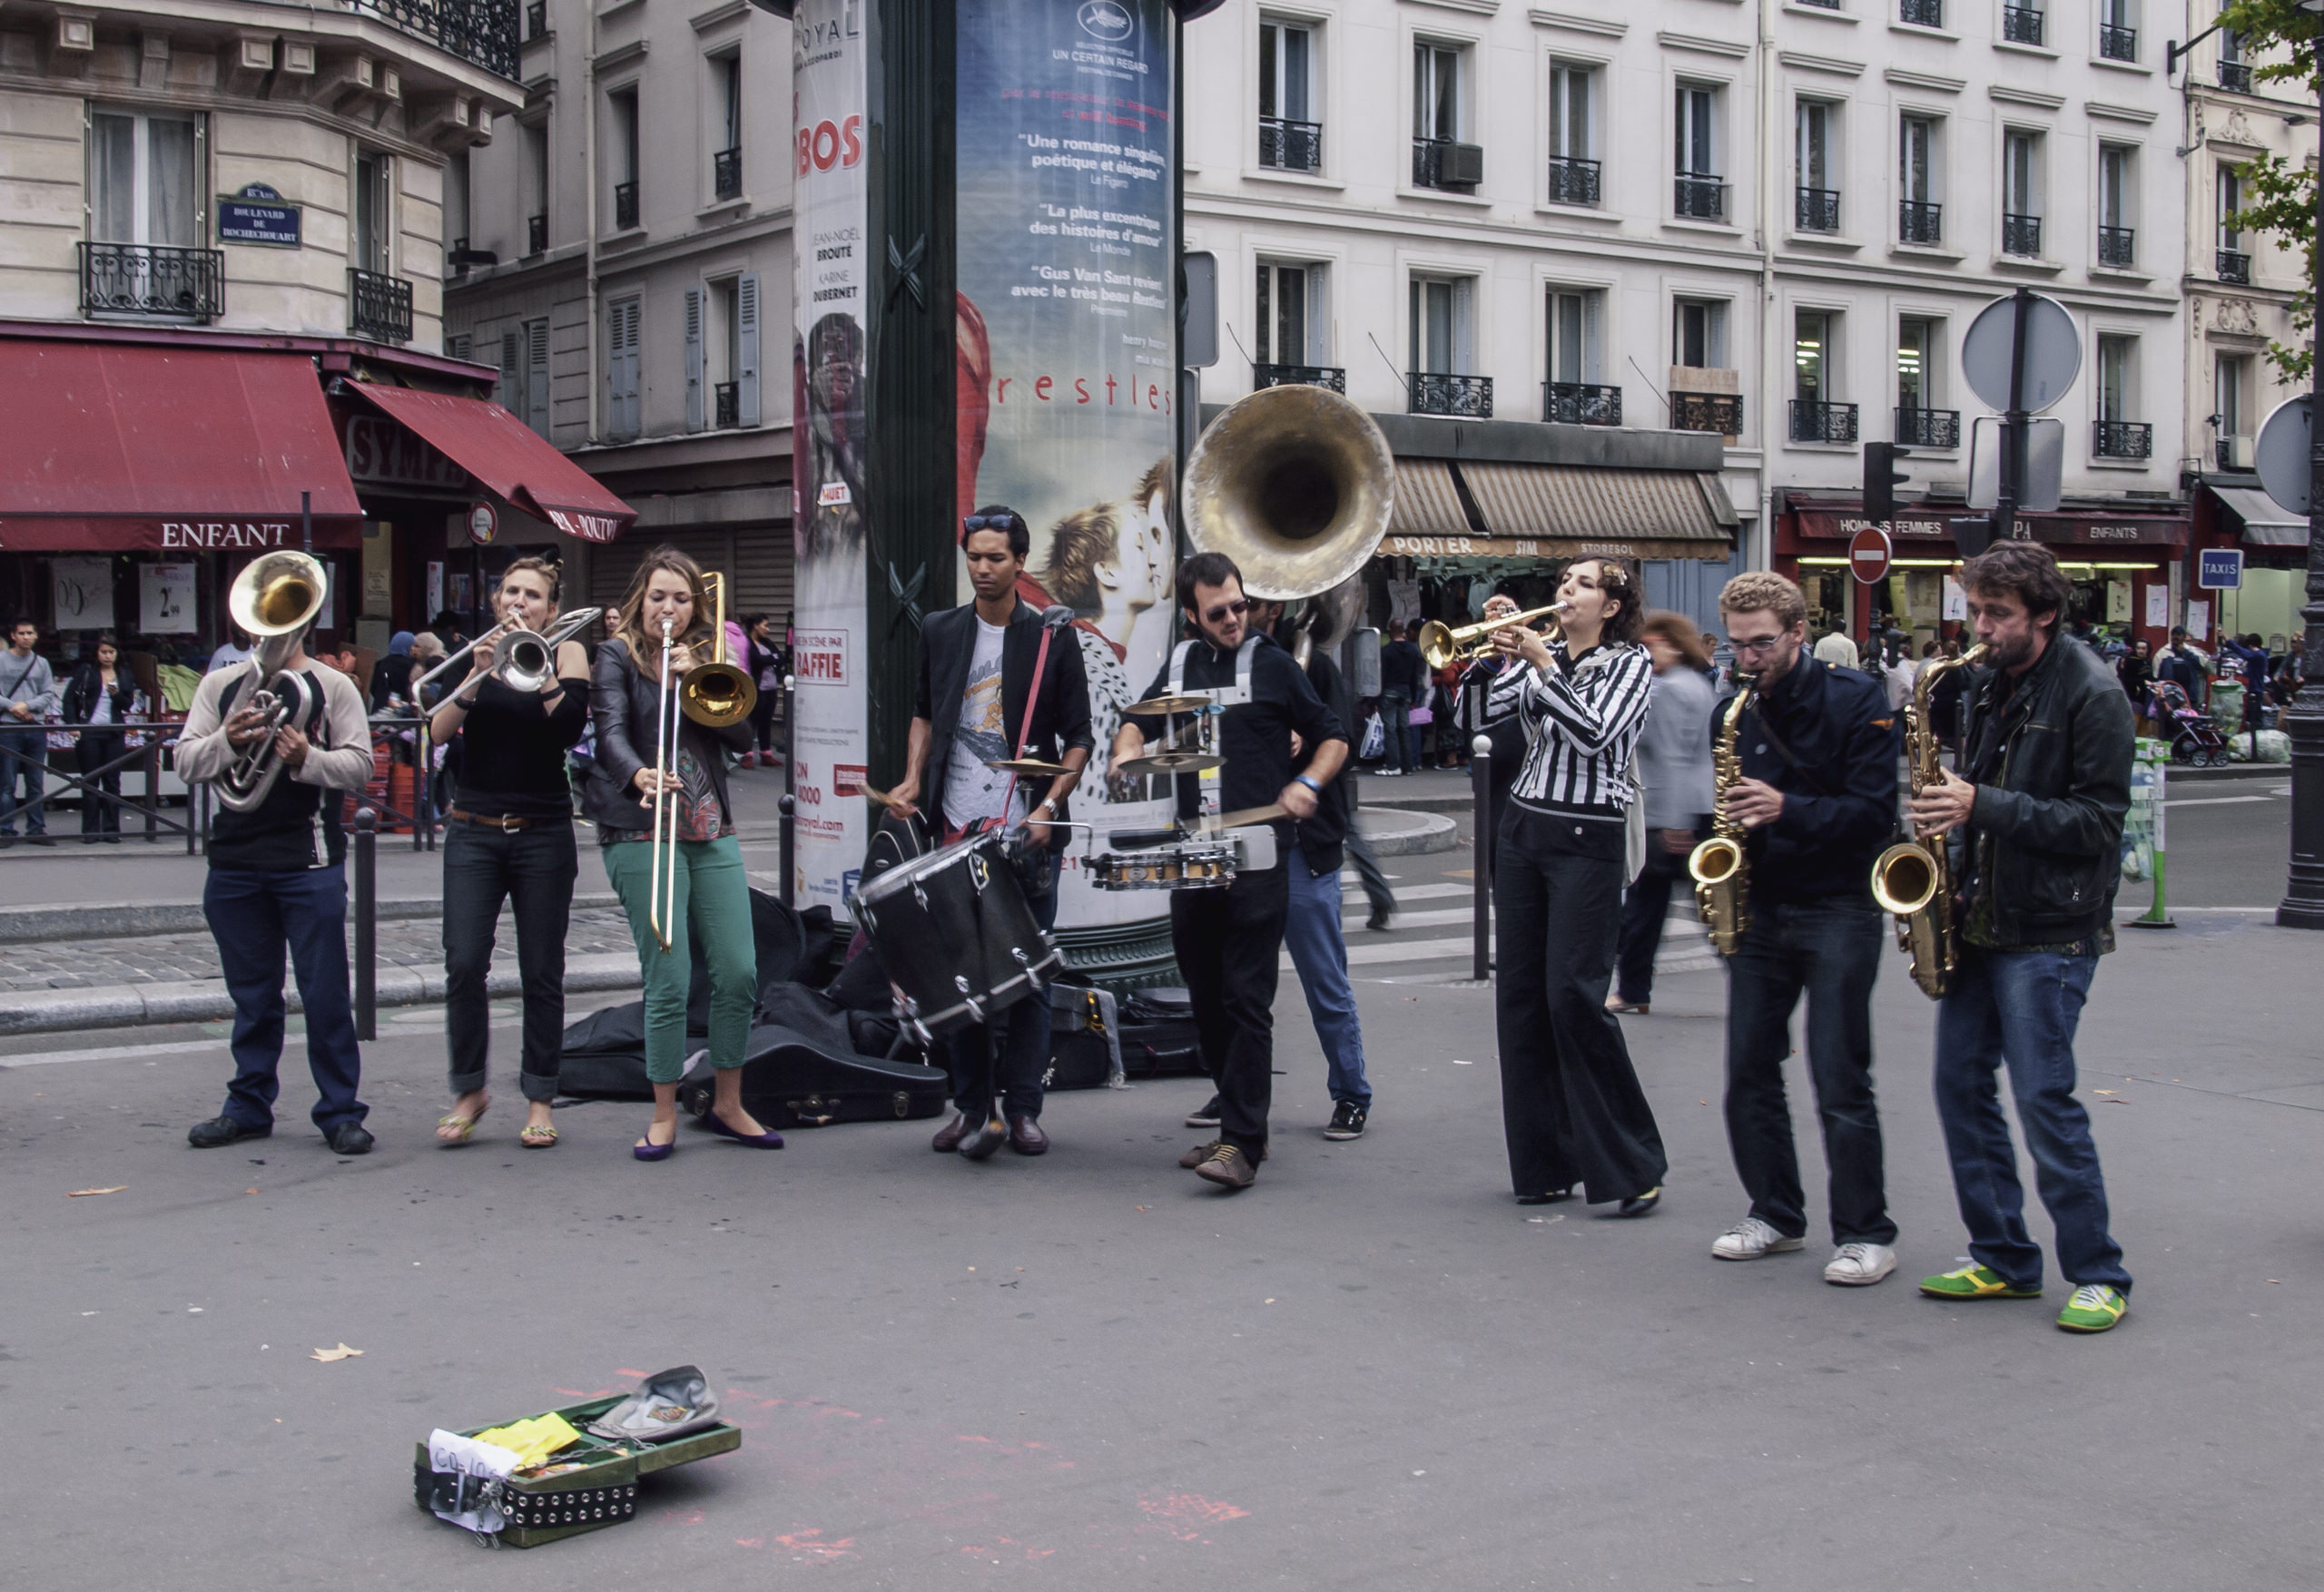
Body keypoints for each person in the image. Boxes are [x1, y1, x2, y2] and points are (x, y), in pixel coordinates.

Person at [1907, 543, 2135, 1333]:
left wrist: (1980, 805)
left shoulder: (2093, 693)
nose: (1980, 628)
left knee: (2043, 1100)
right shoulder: (1985, 682)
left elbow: (2098, 824)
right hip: (1979, 913)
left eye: (1997, 614)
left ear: (2045, 615)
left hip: (2049, 928)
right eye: (1975, 611)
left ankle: (2099, 1273)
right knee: (1959, 1089)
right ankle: (2003, 1257)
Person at [1113, 551, 1347, 1190]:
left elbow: (1333, 735)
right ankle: (1239, 1128)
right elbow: (1135, 722)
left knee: (1246, 996)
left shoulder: (1272, 664)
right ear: (1192, 616)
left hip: (1259, 857)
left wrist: (1307, 782)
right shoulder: (1180, 665)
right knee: (1206, 996)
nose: (1234, 619)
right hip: (1193, 856)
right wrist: (1126, 753)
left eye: (1240, 606)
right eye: (1218, 612)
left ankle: (1242, 1144)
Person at [1700, 573, 1905, 1286]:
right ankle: (1775, 1213)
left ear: (1797, 633)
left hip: (1840, 904)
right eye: (1736, 645)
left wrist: (1787, 808)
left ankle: (1867, 1232)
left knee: (1839, 1074)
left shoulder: (1858, 700)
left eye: (1761, 644)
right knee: (1748, 1071)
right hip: (1762, 904)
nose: (1747, 659)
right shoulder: (1733, 713)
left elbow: (1874, 815)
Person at [892, 506, 1092, 1160]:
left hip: (1024, 834)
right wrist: (912, 779)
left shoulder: (1051, 638)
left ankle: (1024, 1109)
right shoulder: (941, 629)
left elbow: (1079, 738)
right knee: (961, 978)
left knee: (1028, 977)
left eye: (996, 558)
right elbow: (923, 713)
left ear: (1020, 562)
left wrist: (1049, 807)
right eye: (974, 557)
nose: (982, 568)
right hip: (955, 827)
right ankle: (971, 1106)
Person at [1484, 557, 1666, 1215]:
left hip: (1588, 835)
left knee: (1574, 997)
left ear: (1612, 606)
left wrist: (1542, 665)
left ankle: (1633, 1164)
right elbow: (1483, 713)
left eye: (1584, 584)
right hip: (1523, 827)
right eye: (1565, 581)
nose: (1566, 590)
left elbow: (1594, 733)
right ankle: (1544, 1164)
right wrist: (1498, 656)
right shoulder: (1548, 653)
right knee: (1521, 998)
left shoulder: (1631, 664)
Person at [584, 545, 777, 1161]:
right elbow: (609, 730)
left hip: (708, 824)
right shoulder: (616, 655)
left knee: (739, 971)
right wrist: (636, 773)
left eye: (681, 599)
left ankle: (728, 1102)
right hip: (641, 828)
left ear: (696, 607)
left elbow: (742, 737)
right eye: (658, 596)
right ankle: (664, 1111)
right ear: (640, 599)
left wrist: (700, 680)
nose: (668, 609)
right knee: (668, 976)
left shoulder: (707, 659)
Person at [173, 614, 376, 1153]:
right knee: (253, 998)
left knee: (325, 996)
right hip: (234, 863)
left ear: (305, 622)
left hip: (308, 863)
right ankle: (248, 1106)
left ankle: (340, 1111)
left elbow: (360, 765)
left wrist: (308, 758)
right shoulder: (221, 685)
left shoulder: (333, 686)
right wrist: (226, 739)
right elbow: (185, 761)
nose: (270, 629)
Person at [428, 559, 591, 1150]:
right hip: (474, 828)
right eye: (512, 592)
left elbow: (569, 728)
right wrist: (476, 676)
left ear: (551, 608)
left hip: (543, 831)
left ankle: (540, 1096)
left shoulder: (568, 653)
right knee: (464, 960)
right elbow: (436, 731)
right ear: (497, 600)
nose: (520, 601)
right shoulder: (477, 653)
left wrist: (540, 668)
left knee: (541, 968)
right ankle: (469, 1090)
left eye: (534, 595)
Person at [1252, 597, 1374, 1140]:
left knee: (1324, 980)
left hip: (1303, 844)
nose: (1238, 615)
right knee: (1241, 986)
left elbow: (1342, 740)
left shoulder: (1314, 666)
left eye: (1251, 604)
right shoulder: (1228, 664)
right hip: (1248, 842)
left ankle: (1351, 1093)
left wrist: (1302, 744)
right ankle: (1237, 1090)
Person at [1608, 613, 1715, 1017]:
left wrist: (1674, 821)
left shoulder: (1669, 690)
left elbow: (1671, 756)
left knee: (1646, 908)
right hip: (1698, 805)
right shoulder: (1698, 684)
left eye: (1651, 646)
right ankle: (1634, 987)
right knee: (1702, 904)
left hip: (1671, 811)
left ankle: (1633, 988)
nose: (1647, 655)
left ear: (1671, 645)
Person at [62, 633, 138, 843]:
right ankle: (90, 831)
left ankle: (112, 830)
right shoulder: (87, 671)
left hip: (114, 733)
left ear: (117, 653)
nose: (107, 656)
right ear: (97, 653)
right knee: (90, 782)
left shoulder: (124, 674)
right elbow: (68, 699)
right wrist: (73, 725)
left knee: (112, 782)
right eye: (103, 652)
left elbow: (127, 705)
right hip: (89, 732)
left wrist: (116, 694)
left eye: (111, 652)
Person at [0, 617, 58, 846]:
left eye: (29, 633)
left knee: (35, 782)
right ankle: (5, 829)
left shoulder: (41, 663)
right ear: (13, 636)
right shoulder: (1, 659)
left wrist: (27, 706)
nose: (26, 637)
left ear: (36, 636)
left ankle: (36, 829)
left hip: (34, 726)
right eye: (21, 633)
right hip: (8, 727)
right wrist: (12, 707)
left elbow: (48, 693)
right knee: (7, 783)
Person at [1376, 621, 1426, 775]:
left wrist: (1376, 697)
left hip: (1389, 691)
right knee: (1404, 729)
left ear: (1391, 630)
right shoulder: (1412, 650)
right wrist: (1413, 697)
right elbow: (1414, 675)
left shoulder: (1386, 651)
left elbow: (1382, 675)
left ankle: (1393, 765)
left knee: (1390, 729)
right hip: (1406, 692)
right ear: (1403, 630)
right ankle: (1408, 766)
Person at [742, 614, 785, 768]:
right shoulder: (747, 642)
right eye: (765, 625)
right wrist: (771, 659)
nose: (768, 629)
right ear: (755, 625)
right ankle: (747, 755)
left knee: (766, 722)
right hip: (756, 688)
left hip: (771, 688)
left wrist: (770, 660)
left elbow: (781, 658)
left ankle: (766, 755)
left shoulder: (767, 642)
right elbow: (756, 660)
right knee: (752, 722)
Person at [369, 631, 419, 713]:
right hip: (402, 714)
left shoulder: (380, 664)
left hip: (379, 712)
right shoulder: (412, 666)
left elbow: (373, 688)